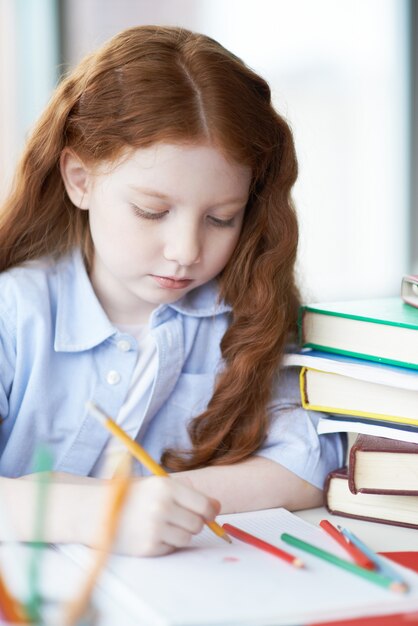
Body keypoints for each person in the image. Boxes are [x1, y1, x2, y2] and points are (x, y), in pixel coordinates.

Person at [0, 25, 344, 556]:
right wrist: (92, 513)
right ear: (80, 180)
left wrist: (151, 499)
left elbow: (308, 461)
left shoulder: (244, 312)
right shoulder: (14, 313)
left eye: (221, 218)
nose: (186, 250)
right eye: (152, 212)